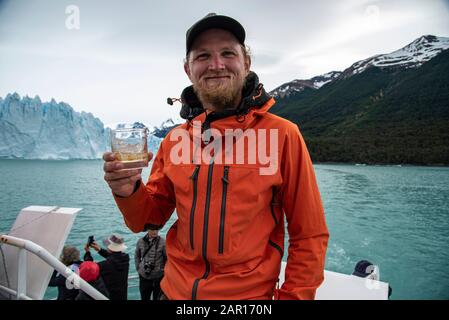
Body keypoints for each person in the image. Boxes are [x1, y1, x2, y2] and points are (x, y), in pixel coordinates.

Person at [103, 13, 329, 300]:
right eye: (203, 56)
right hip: (173, 294)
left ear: (246, 63)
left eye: (227, 53)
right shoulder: (175, 140)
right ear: (188, 68)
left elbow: (309, 235)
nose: (216, 65)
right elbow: (149, 220)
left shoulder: (282, 135)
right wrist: (127, 190)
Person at [84, 233, 130, 300]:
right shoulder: (125, 259)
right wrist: (99, 250)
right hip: (122, 296)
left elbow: (89, 268)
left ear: (110, 247)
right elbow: (114, 257)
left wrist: (87, 253)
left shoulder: (104, 265)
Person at [135, 226, 167, 300]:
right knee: (144, 297)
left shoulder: (163, 242)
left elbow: (167, 258)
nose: (155, 231)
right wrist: (138, 268)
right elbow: (137, 255)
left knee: (157, 298)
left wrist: (163, 270)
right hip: (144, 276)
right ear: (148, 230)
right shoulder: (140, 241)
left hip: (158, 277)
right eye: (153, 229)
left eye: (156, 229)